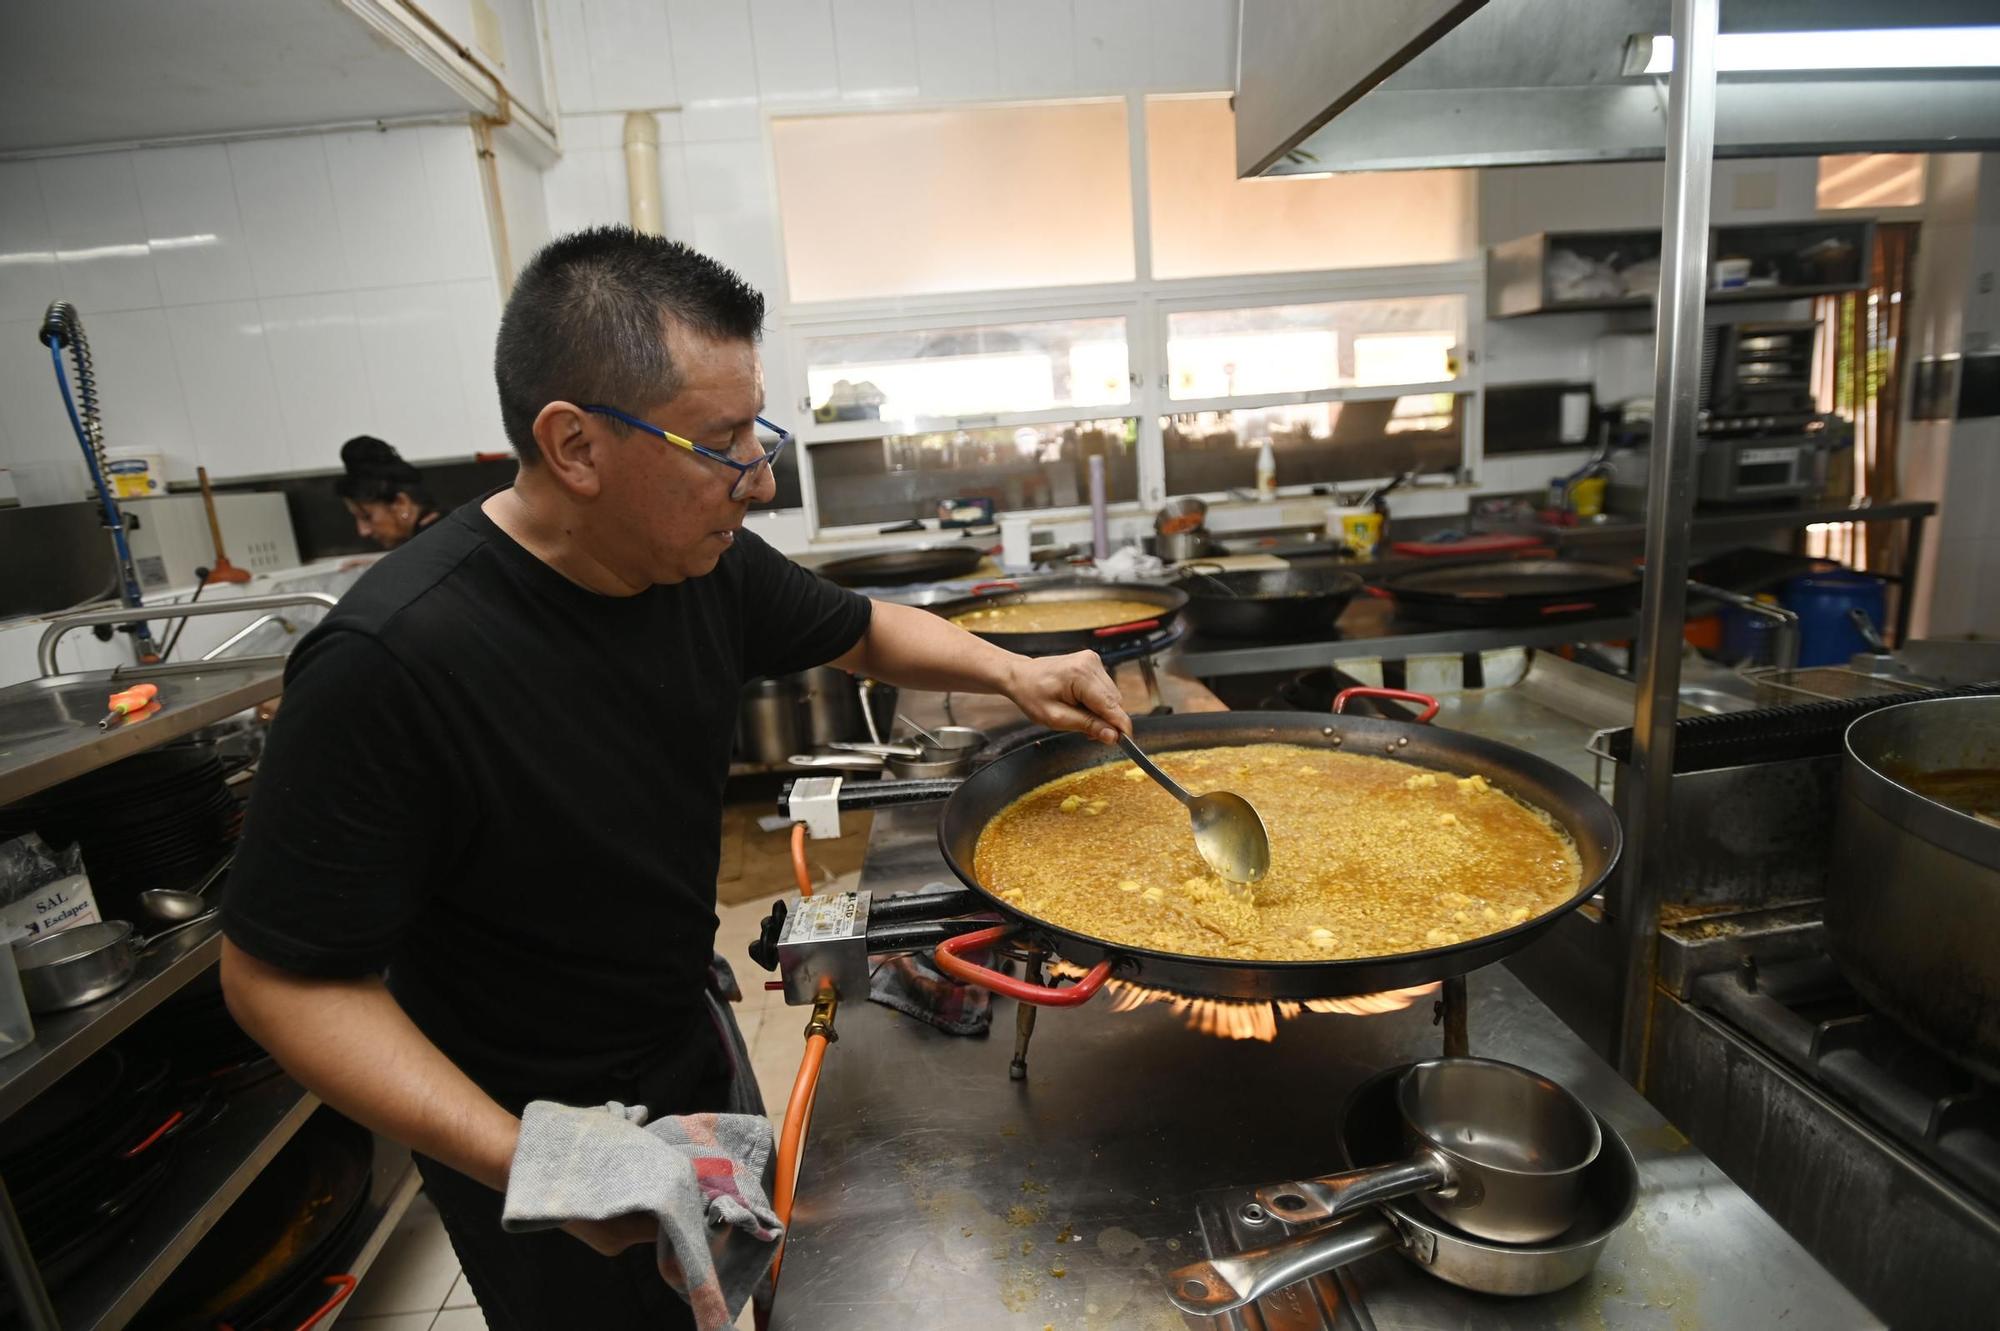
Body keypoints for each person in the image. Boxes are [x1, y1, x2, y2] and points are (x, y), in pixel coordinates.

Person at [218, 226, 1131, 1331]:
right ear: (575, 445)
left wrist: (1015, 670)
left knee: (730, 1298)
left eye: (757, 429)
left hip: (683, 1030)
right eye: (719, 441)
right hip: (529, 1120)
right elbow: (280, 980)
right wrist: (539, 1163)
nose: (756, 476)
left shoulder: (691, 560)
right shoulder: (393, 660)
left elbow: (858, 629)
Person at [335, 435, 441, 549]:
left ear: (401, 504)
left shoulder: (429, 553)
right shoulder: (443, 534)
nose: (363, 531)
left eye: (367, 517)